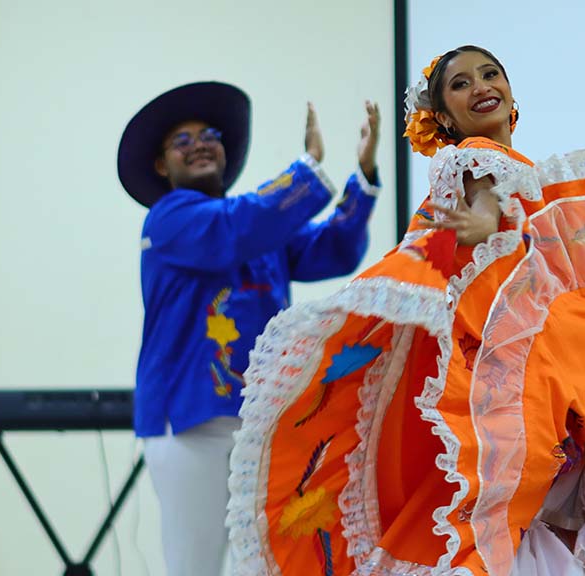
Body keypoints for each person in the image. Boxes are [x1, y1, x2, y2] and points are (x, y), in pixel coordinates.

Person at [226, 47, 585, 576]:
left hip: (526, 351)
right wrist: (482, 225)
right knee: (513, 510)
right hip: (505, 357)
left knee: (527, 515)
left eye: (490, 74)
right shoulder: (470, 156)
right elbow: (485, 200)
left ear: (512, 95)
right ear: (444, 118)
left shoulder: (529, 174)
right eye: (461, 83)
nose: (480, 85)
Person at [116, 81, 382, 576]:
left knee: (263, 563)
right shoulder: (169, 220)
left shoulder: (259, 225)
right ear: (161, 166)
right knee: (193, 566)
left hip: (260, 421)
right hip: (190, 423)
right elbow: (236, 227)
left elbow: (334, 250)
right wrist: (308, 169)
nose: (199, 142)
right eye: (181, 139)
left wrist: (362, 177)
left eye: (209, 133)